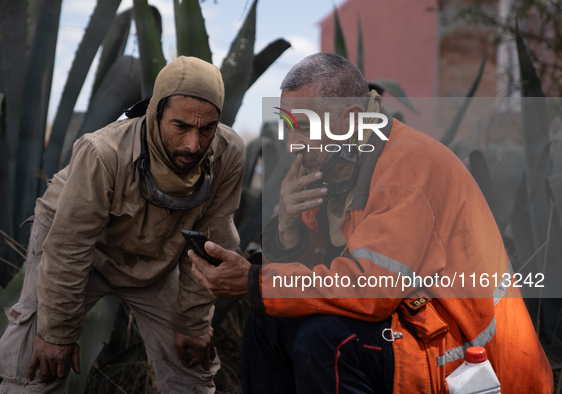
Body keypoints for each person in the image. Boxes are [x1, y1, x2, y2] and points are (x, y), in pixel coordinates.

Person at [190, 53, 554, 393]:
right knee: (267, 322)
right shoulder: (335, 164)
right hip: (414, 328)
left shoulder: (408, 168)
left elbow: (373, 291)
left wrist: (254, 280)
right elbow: (307, 281)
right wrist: (287, 227)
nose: (293, 146)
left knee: (325, 343)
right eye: (289, 127)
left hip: (477, 360)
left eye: (303, 128)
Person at [0, 56, 245, 393]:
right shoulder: (103, 152)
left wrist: (193, 321)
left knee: (191, 363)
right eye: (181, 126)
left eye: (207, 129)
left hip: (156, 257)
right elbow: (69, 246)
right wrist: (57, 333)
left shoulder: (228, 153)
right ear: (155, 113)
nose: (193, 145)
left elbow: (213, 241)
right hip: (77, 249)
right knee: (38, 366)